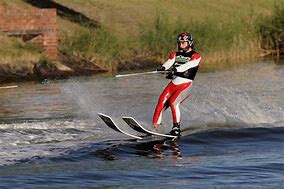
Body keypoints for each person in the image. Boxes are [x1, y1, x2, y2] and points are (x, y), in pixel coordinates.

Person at [153, 32, 201, 136]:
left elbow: (187, 66)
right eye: (179, 43)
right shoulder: (175, 54)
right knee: (161, 101)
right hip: (173, 84)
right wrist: (163, 68)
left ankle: (176, 128)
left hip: (185, 84)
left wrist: (175, 70)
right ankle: (154, 128)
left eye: (183, 43)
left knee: (173, 102)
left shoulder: (196, 56)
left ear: (189, 43)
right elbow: (169, 63)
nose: (180, 45)